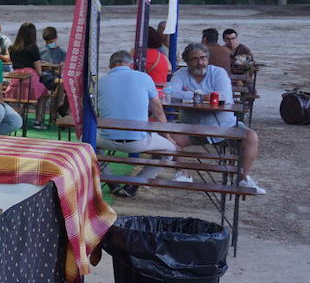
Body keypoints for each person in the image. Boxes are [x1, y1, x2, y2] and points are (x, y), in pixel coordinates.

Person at [168, 43, 264, 194]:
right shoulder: (181, 74)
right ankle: (183, 173)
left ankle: (243, 178)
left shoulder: (218, 72)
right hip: (192, 127)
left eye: (203, 58)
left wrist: (191, 95)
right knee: (168, 137)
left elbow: (224, 97)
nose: (200, 62)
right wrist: (201, 96)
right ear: (187, 62)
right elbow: (171, 93)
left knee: (251, 137)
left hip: (224, 126)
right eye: (195, 59)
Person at [96, 50, 179, 197]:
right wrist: (168, 137)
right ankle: (135, 183)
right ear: (131, 64)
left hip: (106, 139)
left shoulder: (100, 82)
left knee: (88, 144)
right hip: (138, 142)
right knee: (170, 149)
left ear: (110, 66)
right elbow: (159, 113)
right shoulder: (145, 78)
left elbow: (95, 112)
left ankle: (111, 181)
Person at [8, 22, 49, 98]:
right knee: (46, 86)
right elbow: (39, 72)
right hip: (30, 78)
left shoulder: (11, 48)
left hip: (16, 78)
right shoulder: (33, 48)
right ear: (33, 35)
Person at [141, 25, 172, 95]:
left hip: (148, 94)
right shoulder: (161, 54)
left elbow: (127, 71)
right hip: (161, 92)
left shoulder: (142, 54)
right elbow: (169, 68)